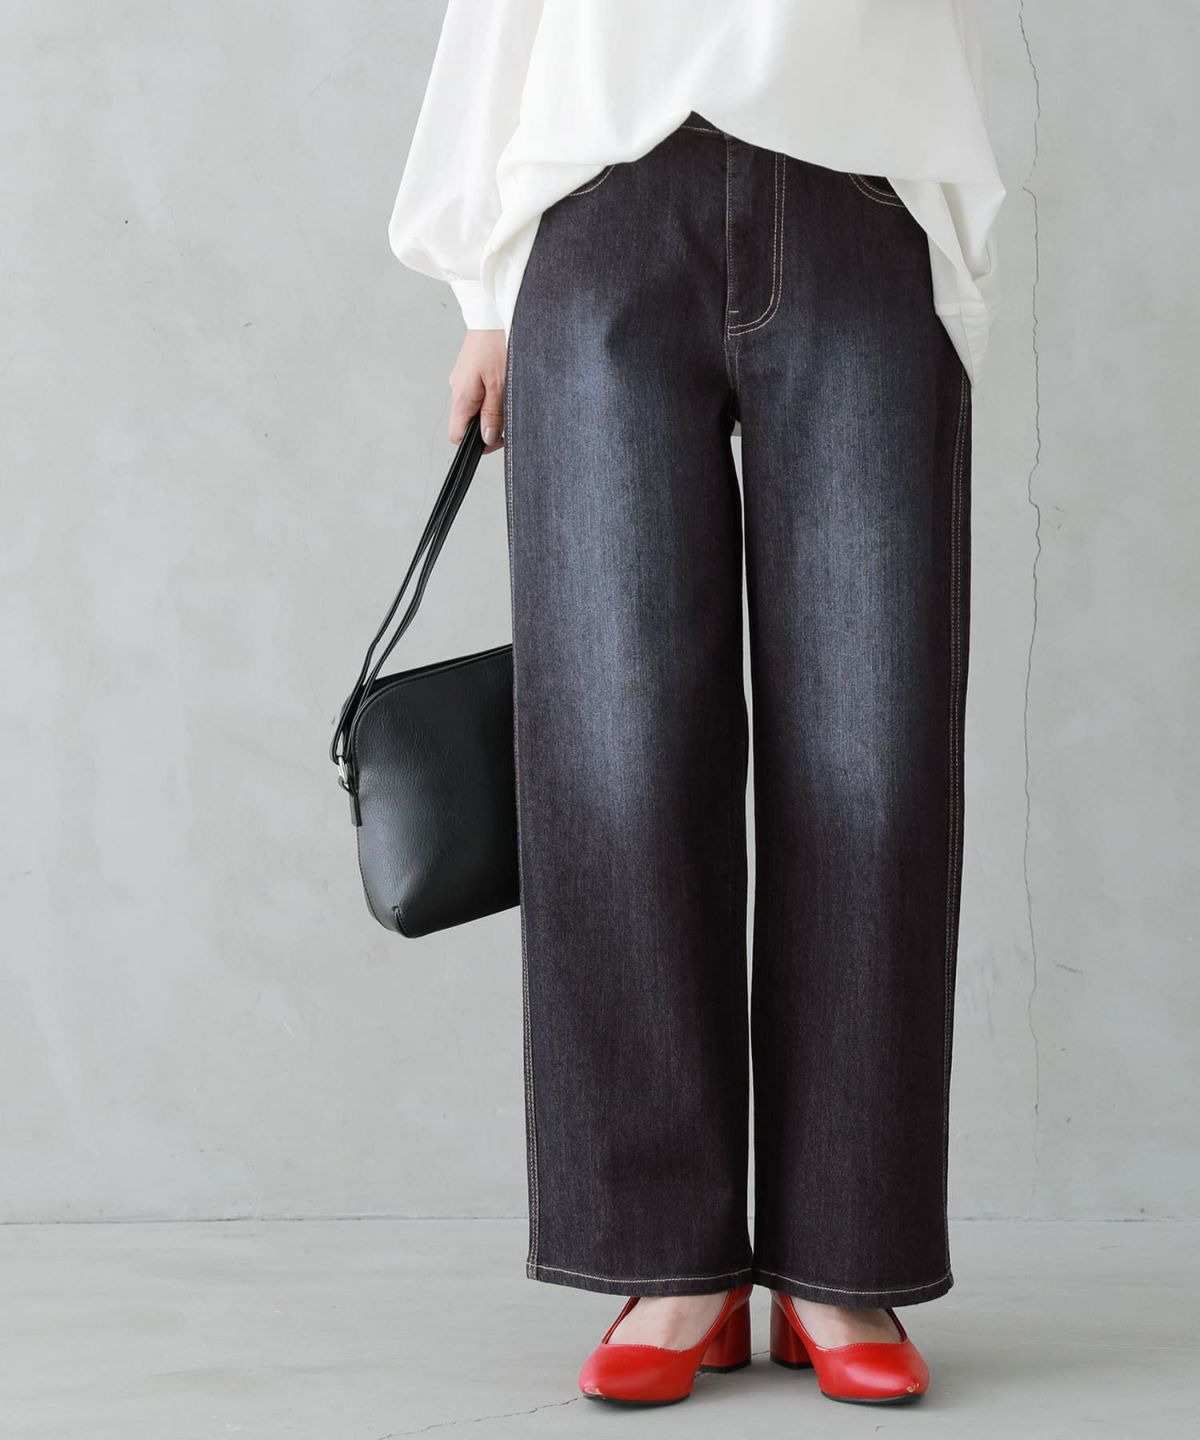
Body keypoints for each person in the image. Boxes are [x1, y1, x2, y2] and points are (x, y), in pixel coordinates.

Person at [387, 0, 1006, 1409]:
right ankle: (673, 1265)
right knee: (619, 750)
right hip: (602, 211)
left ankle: (846, 1261)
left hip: (860, 202)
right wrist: (483, 294)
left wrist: (950, 259)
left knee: (874, 754)